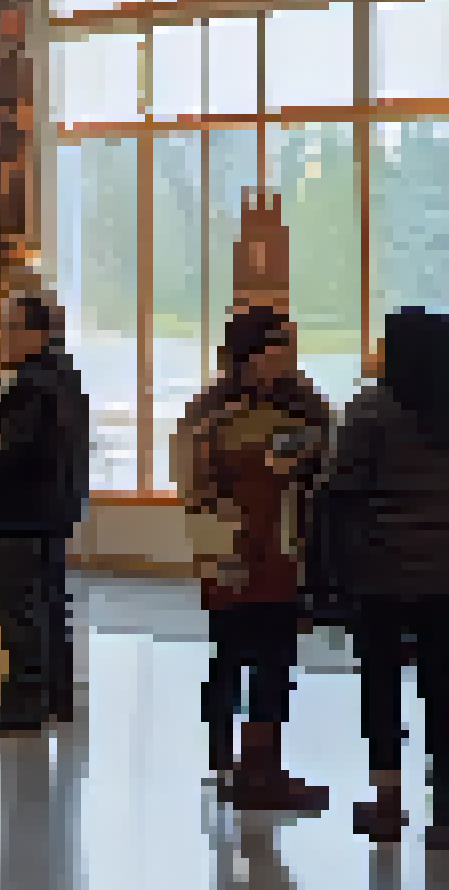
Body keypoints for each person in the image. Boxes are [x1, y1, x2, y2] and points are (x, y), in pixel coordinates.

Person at [173, 306, 330, 810]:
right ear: (249, 354)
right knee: (230, 652)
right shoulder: (211, 412)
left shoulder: (306, 405)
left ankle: (261, 765)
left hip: (285, 551)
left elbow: (325, 468)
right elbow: (194, 481)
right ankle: (225, 762)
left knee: (275, 657)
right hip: (230, 549)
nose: (287, 356)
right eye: (278, 345)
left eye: (289, 345)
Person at [322, 307, 449, 846]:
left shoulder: (370, 408)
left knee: (380, 688)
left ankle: (387, 803)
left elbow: (339, 488)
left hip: (378, 572)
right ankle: (445, 812)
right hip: (445, 576)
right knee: (443, 692)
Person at [0, 293, 90, 733]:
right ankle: (54, 695)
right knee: (47, 603)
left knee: (21, 608)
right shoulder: (62, 380)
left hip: (18, 515)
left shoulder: (33, 386)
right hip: (45, 514)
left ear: (37, 332)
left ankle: (26, 700)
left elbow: (14, 452)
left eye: (12, 328)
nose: (3, 337)